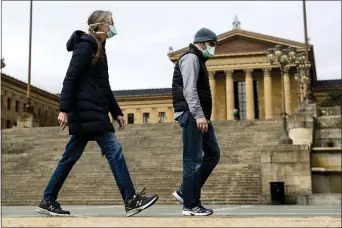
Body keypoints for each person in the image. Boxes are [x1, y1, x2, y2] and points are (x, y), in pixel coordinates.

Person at [35, 10, 158, 217]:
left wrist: (117, 111)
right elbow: (70, 77)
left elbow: (104, 86)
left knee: (69, 158)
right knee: (114, 151)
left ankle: (48, 200)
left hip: (93, 112)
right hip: (87, 113)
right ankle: (130, 199)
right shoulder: (86, 45)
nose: (112, 27)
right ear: (100, 25)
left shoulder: (100, 47)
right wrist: (63, 109)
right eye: (111, 23)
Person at [171, 28, 220, 216]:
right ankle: (191, 205)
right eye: (212, 44)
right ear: (203, 42)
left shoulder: (199, 59)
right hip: (192, 114)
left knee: (213, 153)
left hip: (200, 116)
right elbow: (189, 89)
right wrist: (199, 115)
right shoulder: (191, 58)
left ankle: (185, 191)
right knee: (192, 160)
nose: (213, 48)